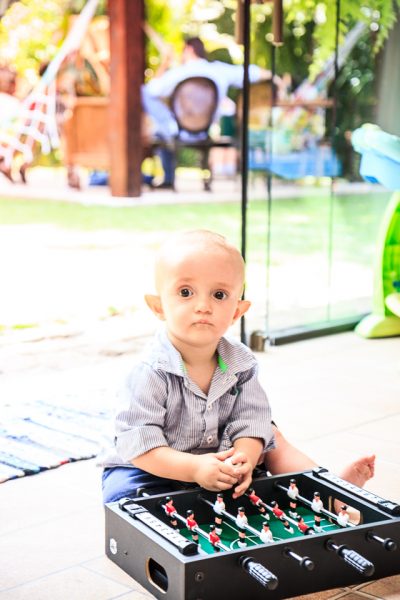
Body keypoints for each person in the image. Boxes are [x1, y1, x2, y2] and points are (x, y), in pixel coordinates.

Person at [100, 229, 375, 505]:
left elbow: (252, 418)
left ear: (236, 312)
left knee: (272, 438)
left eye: (219, 295)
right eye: (186, 292)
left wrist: (244, 456)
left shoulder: (240, 362)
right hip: (154, 467)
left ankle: (330, 494)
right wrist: (193, 468)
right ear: (158, 306)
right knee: (124, 496)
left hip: (221, 458)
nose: (203, 306)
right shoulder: (150, 372)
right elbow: (140, 445)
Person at [142, 37, 282, 189]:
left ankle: (167, 166)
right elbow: (249, 72)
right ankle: (168, 169)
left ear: (189, 50)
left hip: (177, 130)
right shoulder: (218, 71)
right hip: (204, 131)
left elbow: (150, 91)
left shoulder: (179, 73)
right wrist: (273, 75)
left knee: (143, 94)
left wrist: (164, 64)